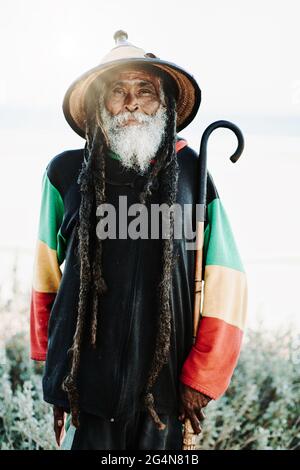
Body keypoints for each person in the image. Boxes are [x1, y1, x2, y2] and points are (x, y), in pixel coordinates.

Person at [29, 31, 248, 450]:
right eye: (117, 91)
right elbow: (45, 278)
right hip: (85, 389)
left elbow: (227, 282)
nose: (131, 102)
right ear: (98, 104)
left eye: (144, 90)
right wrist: (53, 372)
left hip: (164, 394)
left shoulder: (192, 173)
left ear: (164, 103)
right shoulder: (65, 173)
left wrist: (203, 376)